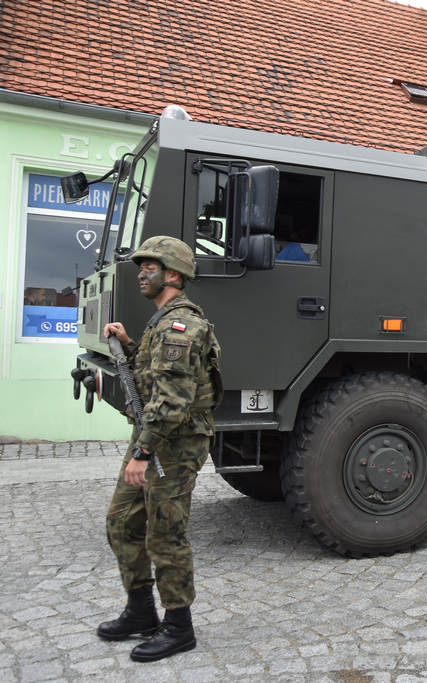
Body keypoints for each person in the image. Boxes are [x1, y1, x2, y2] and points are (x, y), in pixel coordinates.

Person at [98, 236, 222, 663]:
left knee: (165, 532)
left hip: (176, 444)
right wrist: (130, 344)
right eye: (140, 268)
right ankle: (140, 613)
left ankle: (178, 626)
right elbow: (155, 378)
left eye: (148, 267)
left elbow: (173, 402)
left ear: (173, 274)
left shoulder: (179, 326)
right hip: (156, 438)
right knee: (121, 521)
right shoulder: (161, 323)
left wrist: (142, 453)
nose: (140, 274)